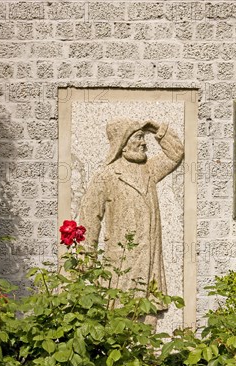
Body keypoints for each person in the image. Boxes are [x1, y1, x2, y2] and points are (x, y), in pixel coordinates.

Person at [79, 118, 184, 300]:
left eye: (144, 137)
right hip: (122, 261)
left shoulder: (149, 169)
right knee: (119, 312)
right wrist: (87, 258)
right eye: (138, 137)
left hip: (150, 259)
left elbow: (175, 154)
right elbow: (90, 218)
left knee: (149, 313)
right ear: (123, 143)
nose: (144, 143)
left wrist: (159, 130)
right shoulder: (107, 176)